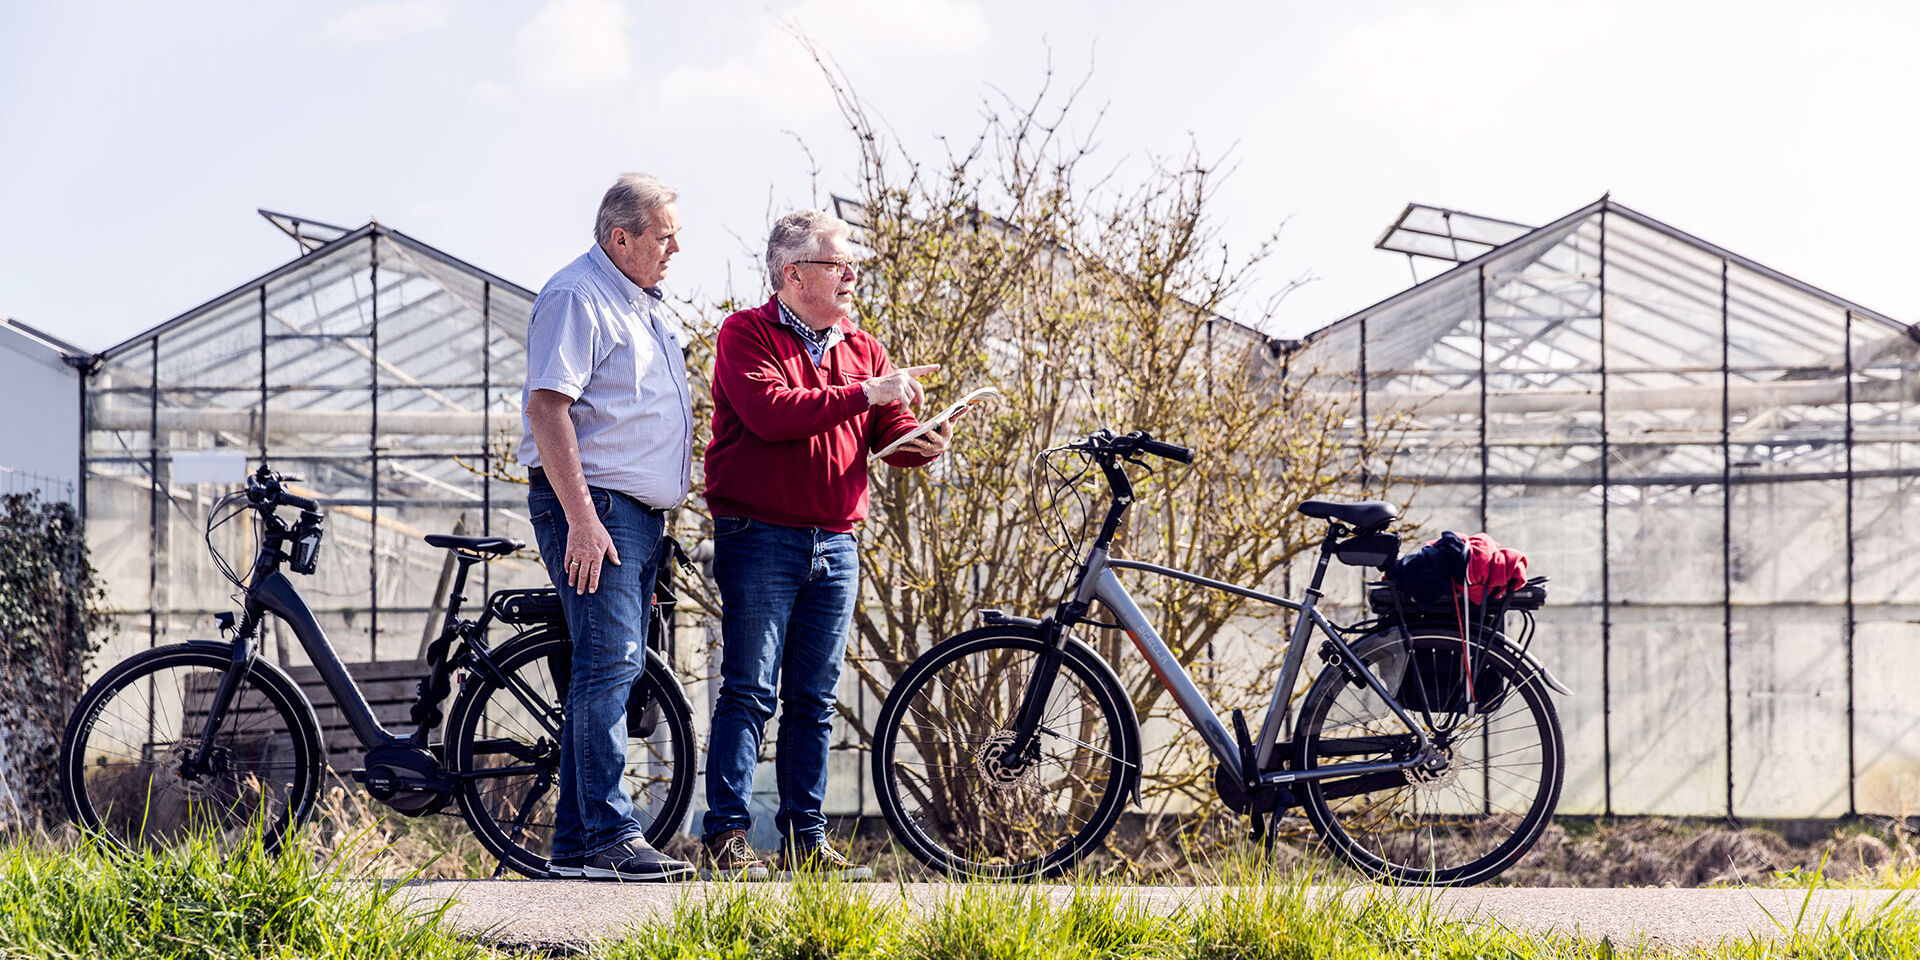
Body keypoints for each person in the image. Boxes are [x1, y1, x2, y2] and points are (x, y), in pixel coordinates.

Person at [699, 209, 953, 880]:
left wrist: (922, 441)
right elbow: (770, 413)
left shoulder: (862, 347)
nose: (852, 277)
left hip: (836, 540)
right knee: (750, 689)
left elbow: (885, 433)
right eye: (840, 265)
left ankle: (804, 841)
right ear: (794, 274)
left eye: (851, 266)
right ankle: (726, 836)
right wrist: (867, 391)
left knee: (813, 697)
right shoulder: (745, 333)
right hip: (759, 536)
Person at [519, 173, 697, 882]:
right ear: (620, 238)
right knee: (609, 667)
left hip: (638, 514)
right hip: (601, 509)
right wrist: (584, 523)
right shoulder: (577, 296)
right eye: (664, 235)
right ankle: (609, 838)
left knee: (612, 666)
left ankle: (576, 847)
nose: (675, 247)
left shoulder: (643, 305)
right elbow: (547, 410)